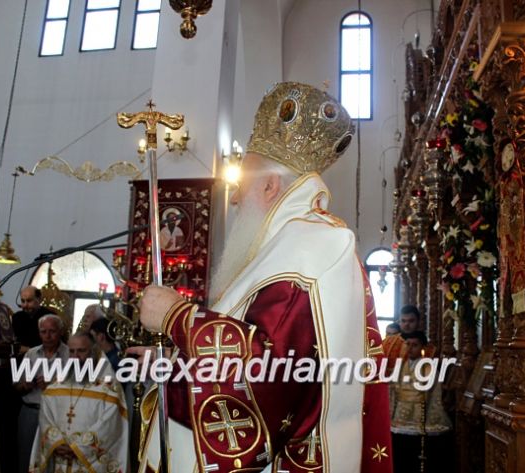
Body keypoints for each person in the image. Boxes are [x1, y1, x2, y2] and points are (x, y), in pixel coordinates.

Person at [135, 82, 392, 472]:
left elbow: (269, 377)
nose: (235, 199)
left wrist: (177, 317)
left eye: (241, 184)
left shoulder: (315, 246)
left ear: (271, 185)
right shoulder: (285, 247)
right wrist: (174, 364)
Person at [29, 333, 128, 473]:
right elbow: (46, 418)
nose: (75, 357)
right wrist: (57, 443)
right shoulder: (55, 387)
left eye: (81, 351)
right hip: (59, 459)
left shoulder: (109, 389)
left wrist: (80, 448)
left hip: (89, 463)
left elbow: (110, 424)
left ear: (94, 352)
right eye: (71, 351)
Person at [390, 331, 452, 473]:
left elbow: (434, 394)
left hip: (419, 418)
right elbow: (393, 392)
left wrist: (431, 419)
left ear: (422, 347)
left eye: (415, 345)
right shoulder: (399, 367)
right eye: (408, 344)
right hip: (400, 418)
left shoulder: (428, 368)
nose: (410, 348)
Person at [15, 314, 68, 473]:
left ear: (60, 332)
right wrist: (26, 385)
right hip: (30, 411)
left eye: (52, 331)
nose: (48, 336)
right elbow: (17, 385)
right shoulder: (31, 354)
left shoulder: (70, 354)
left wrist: (52, 386)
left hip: (57, 414)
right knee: (26, 455)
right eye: (43, 331)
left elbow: (77, 389)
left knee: (52, 458)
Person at [382, 305, 436, 371]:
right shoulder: (386, 343)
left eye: (411, 321)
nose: (406, 324)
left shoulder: (429, 349)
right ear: (399, 322)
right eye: (403, 321)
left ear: (418, 322)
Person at [12, 286, 55, 353]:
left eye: (29, 301)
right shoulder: (17, 317)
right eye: (23, 301)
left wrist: (28, 350)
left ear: (39, 300)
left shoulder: (51, 317)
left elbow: (53, 345)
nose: (25, 305)